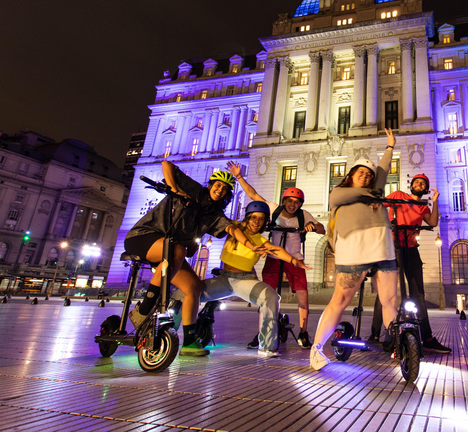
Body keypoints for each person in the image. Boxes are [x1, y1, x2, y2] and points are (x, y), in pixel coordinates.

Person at [124, 160, 254, 356]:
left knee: (194, 286)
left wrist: (251, 244)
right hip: (143, 236)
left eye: (225, 189)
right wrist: (175, 190)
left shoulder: (214, 215)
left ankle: (190, 341)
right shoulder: (194, 190)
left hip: (169, 250)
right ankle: (143, 311)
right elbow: (167, 164)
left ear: (227, 195)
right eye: (218, 185)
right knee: (178, 250)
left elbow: (231, 228)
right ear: (211, 185)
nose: (220, 190)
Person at [170, 201, 310, 358]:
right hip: (223, 279)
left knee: (271, 297)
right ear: (247, 217)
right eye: (254, 218)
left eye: (262, 219)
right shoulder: (234, 227)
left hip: (245, 281)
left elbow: (276, 250)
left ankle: (267, 347)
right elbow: (223, 224)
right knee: (182, 293)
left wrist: (294, 261)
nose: (257, 222)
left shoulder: (259, 240)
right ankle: (167, 335)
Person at [310, 128, 400, 371]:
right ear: (351, 175)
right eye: (361, 173)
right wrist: (374, 192)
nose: (366, 177)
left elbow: (381, 170)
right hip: (353, 248)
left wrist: (390, 146)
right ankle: (317, 348)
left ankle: (400, 346)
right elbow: (339, 196)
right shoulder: (340, 193)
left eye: (369, 176)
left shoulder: (375, 187)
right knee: (339, 299)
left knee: (390, 301)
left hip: (382, 245)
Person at [229, 161, 325, 349]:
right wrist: (239, 177)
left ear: (300, 204)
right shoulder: (274, 210)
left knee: (303, 297)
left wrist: (313, 226)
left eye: (296, 202)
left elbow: (322, 229)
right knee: (265, 296)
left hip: (295, 259)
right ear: (283, 201)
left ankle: (303, 333)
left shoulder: (303, 215)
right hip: (274, 258)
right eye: (289, 201)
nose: (292, 205)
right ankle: (262, 333)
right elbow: (253, 195)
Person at [368, 174, 451, 353]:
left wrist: (435, 202)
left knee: (418, 294)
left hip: (411, 249)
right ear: (411, 185)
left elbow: (433, 222)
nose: (419, 184)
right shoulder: (398, 196)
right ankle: (375, 335)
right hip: (391, 247)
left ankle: (427, 337)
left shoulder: (422, 206)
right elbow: (379, 205)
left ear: (426, 189)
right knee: (384, 292)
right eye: (416, 182)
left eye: (423, 183)